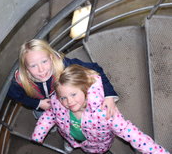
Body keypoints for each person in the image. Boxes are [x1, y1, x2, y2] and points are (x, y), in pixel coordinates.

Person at [31, 64, 169, 154]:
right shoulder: (57, 102)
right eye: (63, 97)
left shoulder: (105, 113)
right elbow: (50, 114)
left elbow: (132, 134)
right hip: (70, 135)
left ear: (85, 90)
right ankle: (71, 145)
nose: (69, 102)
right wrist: (39, 133)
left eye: (73, 94)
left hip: (96, 146)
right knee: (71, 142)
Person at [7, 39, 118, 120]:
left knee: (69, 118)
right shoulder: (20, 81)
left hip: (64, 99)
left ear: (51, 58)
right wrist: (37, 104)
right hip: (41, 105)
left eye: (44, 61)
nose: (41, 70)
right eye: (33, 65)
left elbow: (94, 68)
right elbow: (15, 95)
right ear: (26, 68)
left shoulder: (64, 65)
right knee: (44, 118)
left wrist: (108, 95)